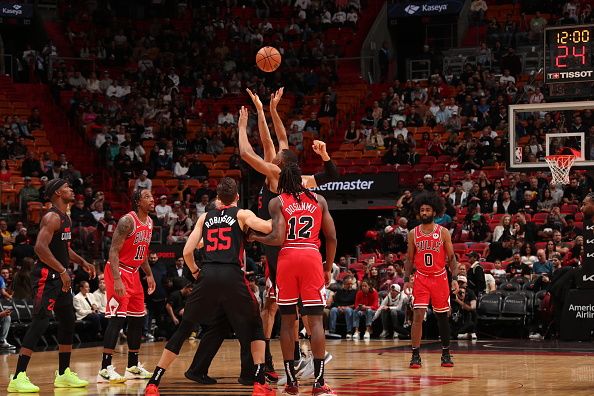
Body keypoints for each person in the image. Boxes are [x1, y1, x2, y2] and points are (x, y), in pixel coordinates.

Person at [240, 88, 339, 381]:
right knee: (289, 307)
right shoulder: (299, 179)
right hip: (305, 250)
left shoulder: (274, 175)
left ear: (279, 164)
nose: (273, 150)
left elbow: (258, 147)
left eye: (275, 155)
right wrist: (266, 110)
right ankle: (298, 358)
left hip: (281, 247)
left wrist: (253, 117)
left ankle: (283, 361)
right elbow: (275, 139)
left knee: (277, 307)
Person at [144, 177, 274, 396]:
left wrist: (195, 271)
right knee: (255, 326)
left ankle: (153, 382)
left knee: (185, 328)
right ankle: (259, 383)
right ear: (237, 197)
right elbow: (268, 226)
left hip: (208, 275)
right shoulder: (242, 214)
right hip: (231, 275)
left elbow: (187, 251)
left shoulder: (205, 217)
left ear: (218, 198)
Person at [249, 162, 337, 396]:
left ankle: (291, 382)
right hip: (311, 257)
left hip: (287, 258)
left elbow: (277, 238)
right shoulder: (319, 200)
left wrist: (257, 237)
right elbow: (332, 237)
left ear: (283, 183)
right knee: (316, 322)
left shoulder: (276, 202)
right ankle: (319, 383)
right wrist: (327, 266)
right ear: (301, 179)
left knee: (288, 321)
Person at [8, 178, 95, 393]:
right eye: (67, 187)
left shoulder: (66, 216)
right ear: (57, 192)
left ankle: (64, 374)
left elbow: (63, 248)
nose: (71, 189)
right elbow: (40, 248)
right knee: (40, 322)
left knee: (68, 320)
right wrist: (63, 270)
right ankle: (18, 377)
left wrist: (81, 261)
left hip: (61, 277)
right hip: (48, 277)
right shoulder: (52, 217)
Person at [98, 189, 156, 383]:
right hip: (119, 270)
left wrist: (149, 274)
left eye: (152, 196)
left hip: (134, 272)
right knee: (116, 319)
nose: (152, 199)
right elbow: (113, 251)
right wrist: (116, 279)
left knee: (138, 319)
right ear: (138, 201)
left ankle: (132, 367)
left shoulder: (149, 222)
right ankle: (104, 369)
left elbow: (143, 252)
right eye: (147, 196)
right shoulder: (127, 221)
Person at [404, 193, 457, 369]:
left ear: (434, 211)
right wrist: (406, 280)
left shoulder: (443, 232)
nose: (425, 212)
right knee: (418, 315)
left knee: (442, 317)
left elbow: (451, 257)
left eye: (427, 209)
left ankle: (446, 353)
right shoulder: (413, 233)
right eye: (422, 210)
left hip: (440, 277)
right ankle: (415, 354)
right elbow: (409, 259)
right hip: (421, 278)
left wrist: (455, 278)